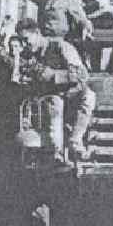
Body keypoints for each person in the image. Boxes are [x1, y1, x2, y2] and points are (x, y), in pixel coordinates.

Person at [16, 18, 95, 161]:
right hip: (45, 100)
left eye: (26, 40)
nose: (24, 45)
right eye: (21, 41)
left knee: (89, 96)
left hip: (70, 95)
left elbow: (81, 74)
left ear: (37, 33)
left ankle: (75, 140)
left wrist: (54, 75)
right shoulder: (27, 55)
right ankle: (56, 152)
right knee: (54, 102)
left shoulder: (60, 46)